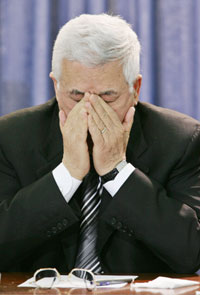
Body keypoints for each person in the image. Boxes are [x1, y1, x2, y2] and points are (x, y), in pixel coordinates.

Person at [0, 13, 200, 275]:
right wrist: (67, 174)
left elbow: (191, 253)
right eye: (76, 95)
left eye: (107, 96)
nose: (90, 111)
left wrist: (117, 171)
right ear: (56, 86)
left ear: (135, 88)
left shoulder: (181, 139)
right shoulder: (11, 137)